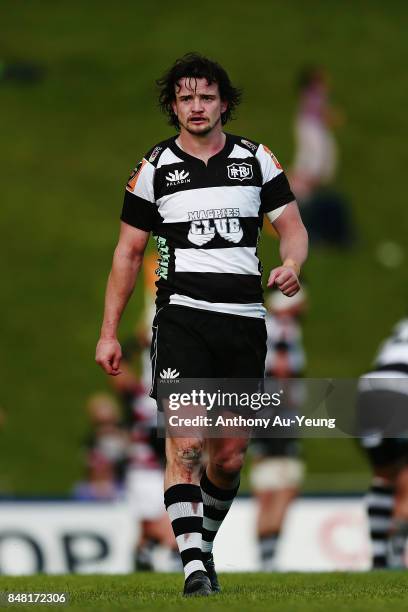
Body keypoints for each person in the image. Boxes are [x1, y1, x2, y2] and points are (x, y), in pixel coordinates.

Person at [96, 53, 308, 596]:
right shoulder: (154, 169)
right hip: (182, 318)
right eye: (186, 98)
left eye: (206, 97)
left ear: (224, 103)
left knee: (231, 455)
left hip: (244, 321)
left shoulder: (256, 160)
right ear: (174, 105)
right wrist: (108, 331)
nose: (196, 107)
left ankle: (200, 545)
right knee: (186, 443)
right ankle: (193, 570)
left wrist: (291, 264)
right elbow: (127, 252)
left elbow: (292, 227)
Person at [250, 288, 307, 570]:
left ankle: (265, 553)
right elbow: (283, 367)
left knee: (265, 483)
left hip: (259, 406)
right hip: (278, 410)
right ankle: (270, 554)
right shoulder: (285, 326)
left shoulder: (262, 322)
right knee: (286, 481)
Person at [357, 318, 408, 569]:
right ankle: (398, 555)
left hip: (370, 388)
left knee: (383, 474)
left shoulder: (395, 335)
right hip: (403, 387)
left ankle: (379, 557)